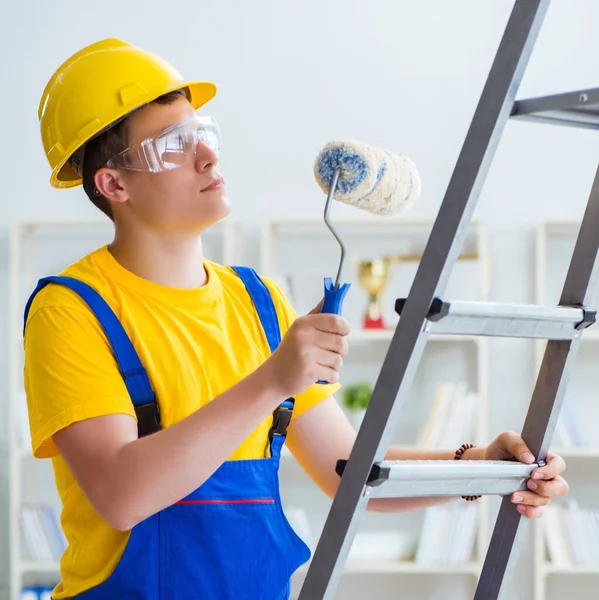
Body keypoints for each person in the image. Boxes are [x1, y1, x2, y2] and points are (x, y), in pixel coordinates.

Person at [23, 38, 569, 600]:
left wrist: (480, 466)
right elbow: (121, 495)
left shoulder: (257, 302)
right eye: (174, 145)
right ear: (113, 184)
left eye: (203, 134)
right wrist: (273, 381)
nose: (208, 157)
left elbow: (350, 472)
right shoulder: (70, 310)